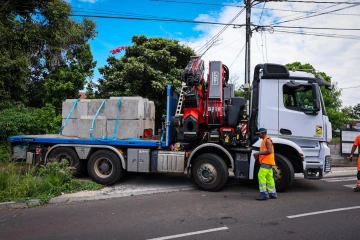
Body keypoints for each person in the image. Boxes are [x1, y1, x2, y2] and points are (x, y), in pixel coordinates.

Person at [253, 128, 277, 200]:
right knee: (269, 178)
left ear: (263, 133)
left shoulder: (267, 140)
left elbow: (269, 151)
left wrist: (258, 153)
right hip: (268, 162)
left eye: (259, 133)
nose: (258, 135)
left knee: (261, 176)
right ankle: (272, 193)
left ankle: (264, 194)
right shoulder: (264, 140)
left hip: (266, 162)